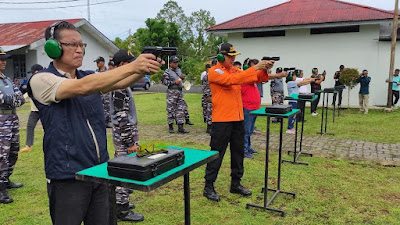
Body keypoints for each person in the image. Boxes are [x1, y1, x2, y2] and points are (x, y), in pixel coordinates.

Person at [28, 21, 162, 224]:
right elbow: (81, 87)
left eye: (82, 45)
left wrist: (143, 69)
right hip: (68, 176)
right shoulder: (42, 79)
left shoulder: (89, 76)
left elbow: (119, 82)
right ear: (53, 48)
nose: (79, 49)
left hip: (99, 170)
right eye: (73, 44)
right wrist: (133, 65)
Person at [203, 43, 273, 202]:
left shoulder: (235, 70)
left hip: (237, 117)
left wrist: (264, 69)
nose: (233, 58)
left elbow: (254, 78)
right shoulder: (215, 71)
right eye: (230, 56)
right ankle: (208, 186)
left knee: (238, 153)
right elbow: (231, 80)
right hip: (222, 120)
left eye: (234, 55)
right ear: (221, 56)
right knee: (216, 154)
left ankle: (236, 183)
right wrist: (254, 68)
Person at [110, 50, 144, 222]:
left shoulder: (122, 82)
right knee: (124, 170)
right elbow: (121, 116)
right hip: (124, 133)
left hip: (126, 131)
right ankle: (121, 210)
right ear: (122, 65)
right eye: (130, 62)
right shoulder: (120, 85)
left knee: (125, 168)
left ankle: (122, 203)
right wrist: (130, 141)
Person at [242, 66, 286, 159]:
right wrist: (278, 75)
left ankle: (248, 148)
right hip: (247, 108)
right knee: (246, 130)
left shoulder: (252, 80)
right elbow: (262, 77)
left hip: (253, 108)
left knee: (250, 130)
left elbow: (263, 78)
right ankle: (244, 150)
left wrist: (266, 70)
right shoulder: (246, 78)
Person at [0, 48, 25, 204]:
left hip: (12, 118)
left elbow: (20, 98)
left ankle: (6, 179)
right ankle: (0, 188)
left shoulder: (7, 79)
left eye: (4, 59)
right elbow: (3, 98)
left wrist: (11, 98)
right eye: (0, 59)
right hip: (1, 120)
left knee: (13, 152)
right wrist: (11, 98)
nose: (3, 61)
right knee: (1, 155)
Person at [161, 56, 192, 134]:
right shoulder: (167, 72)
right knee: (171, 109)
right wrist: (174, 82)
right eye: (174, 62)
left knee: (180, 109)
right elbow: (164, 82)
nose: (176, 64)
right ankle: (171, 126)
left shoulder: (178, 70)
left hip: (180, 92)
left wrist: (182, 78)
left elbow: (180, 79)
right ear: (170, 63)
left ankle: (180, 128)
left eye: (177, 62)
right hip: (172, 92)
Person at [20, 64, 44, 153]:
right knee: (30, 126)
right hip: (34, 110)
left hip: (45, 109)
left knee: (49, 127)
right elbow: (27, 93)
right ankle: (28, 145)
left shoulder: (44, 81)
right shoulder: (32, 82)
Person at [94, 56, 112, 128]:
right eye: (96, 63)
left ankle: (107, 121)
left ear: (103, 63)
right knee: (99, 107)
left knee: (108, 107)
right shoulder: (96, 72)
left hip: (107, 93)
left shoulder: (108, 72)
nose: (97, 64)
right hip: (99, 93)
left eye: (98, 62)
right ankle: (101, 121)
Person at [201, 64, 212, 133]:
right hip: (208, 94)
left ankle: (210, 125)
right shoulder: (207, 76)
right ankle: (209, 126)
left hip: (212, 94)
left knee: (210, 110)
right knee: (209, 110)